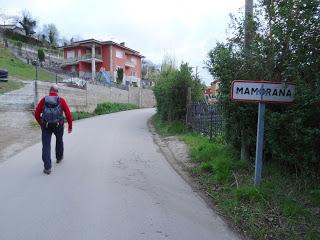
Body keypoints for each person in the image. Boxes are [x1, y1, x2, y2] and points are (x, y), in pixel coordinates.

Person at [34, 85, 72, 175]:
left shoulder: (44, 100)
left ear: (49, 91)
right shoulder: (61, 100)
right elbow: (68, 114)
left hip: (46, 126)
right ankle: (59, 158)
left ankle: (47, 168)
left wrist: (41, 124)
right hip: (58, 125)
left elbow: (36, 113)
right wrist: (70, 126)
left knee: (46, 145)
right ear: (57, 91)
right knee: (59, 141)